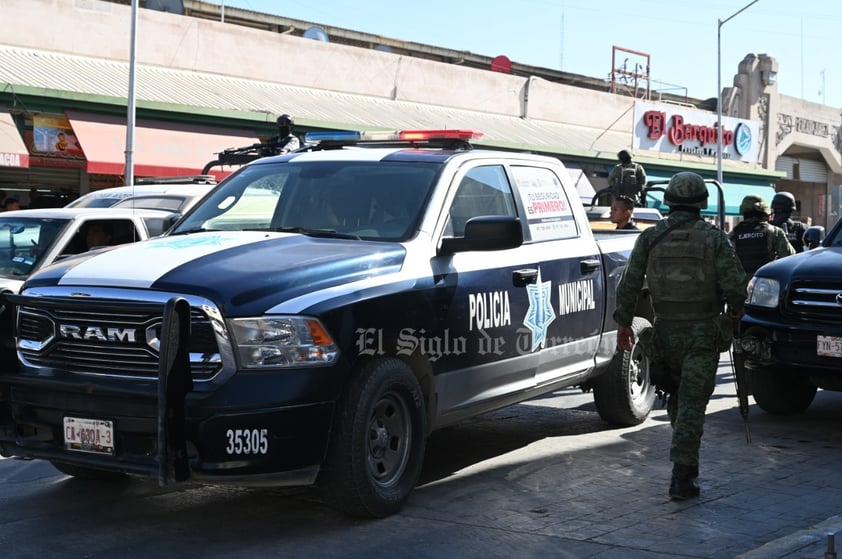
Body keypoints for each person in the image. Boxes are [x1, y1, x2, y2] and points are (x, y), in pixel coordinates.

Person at [613, 172, 747, 501]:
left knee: (678, 399)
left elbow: (629, 281)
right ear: (701, 202)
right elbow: (735, 286)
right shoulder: (714, 238)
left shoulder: (650, 237)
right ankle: (682, 476)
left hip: (665, 333)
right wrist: (732, 316)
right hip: (702, 333)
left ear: (670, 200)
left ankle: (682, 456)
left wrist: (623, 323)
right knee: (691, 405)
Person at [729, 195, 795, 275]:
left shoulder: (733, 234)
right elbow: (790, 259)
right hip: (766, 283)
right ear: (764, 212)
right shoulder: (774, 232)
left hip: (740, 284)